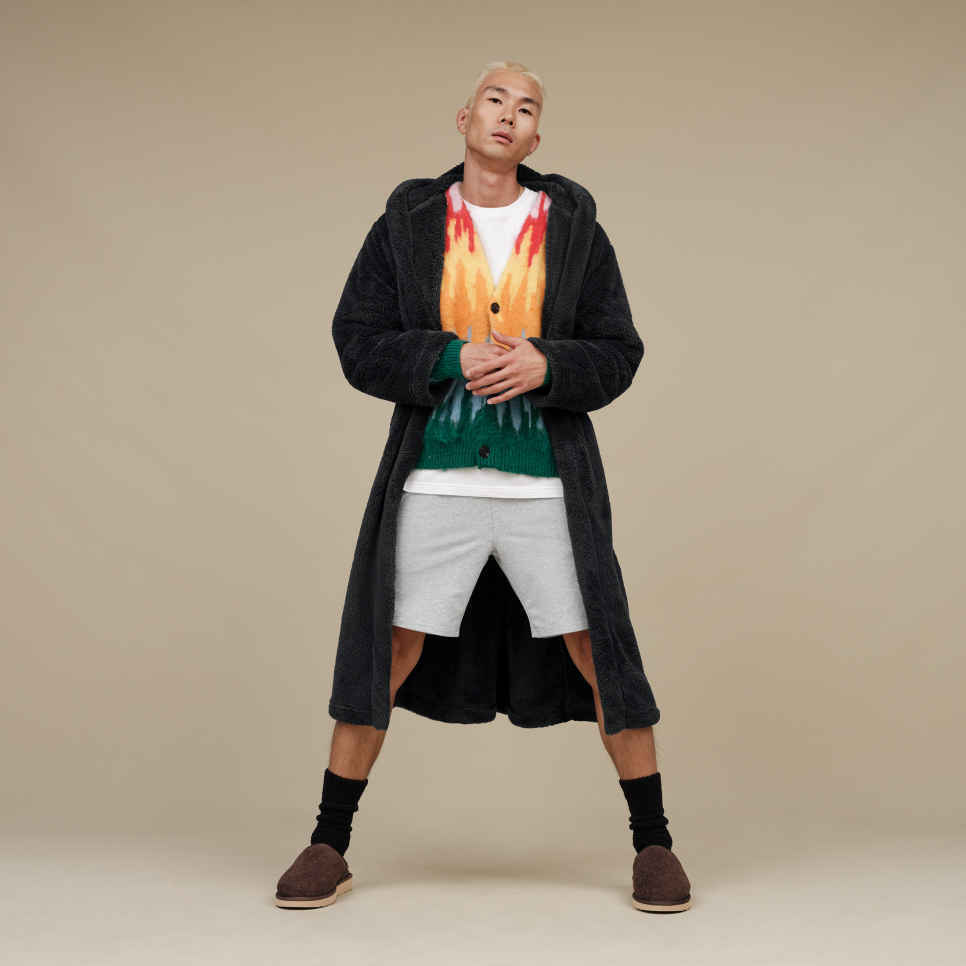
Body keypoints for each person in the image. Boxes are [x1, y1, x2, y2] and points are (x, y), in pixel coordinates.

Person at [274, 61, 692, 913]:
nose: (508, 115)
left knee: (599, 653)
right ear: (464, 116)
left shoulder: (574, 229)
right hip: (437, 478)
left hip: (547, 488)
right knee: (387, 650)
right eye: (495, 100)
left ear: (536, 136)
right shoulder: (406, 225)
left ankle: (655, 845)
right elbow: (357, 338)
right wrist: (445, 356)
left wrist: (551, 364)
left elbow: (620, 351)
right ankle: (328, 842)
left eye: (526, 107)